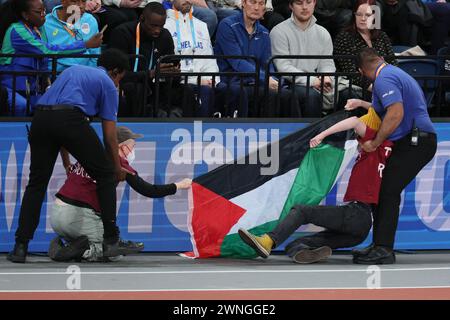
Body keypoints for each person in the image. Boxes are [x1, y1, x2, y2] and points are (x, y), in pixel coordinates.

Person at [6, 49, 144, 263]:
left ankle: (20, 246)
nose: (118, 84)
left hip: (40, 119)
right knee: (106, 175)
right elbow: (109, 137)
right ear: (115, 72)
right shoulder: (107, 84)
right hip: (70, 119)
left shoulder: (72, 71)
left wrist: (66, 161)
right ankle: (111, 240)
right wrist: (116, 168)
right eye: (120, 78)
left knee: (36, 184)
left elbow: (56, 113)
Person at [238, 108, 393, 264]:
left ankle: (268, 241)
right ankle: (303, 251)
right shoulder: (388, 151)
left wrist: (321, 135)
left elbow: (354, 121)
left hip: (357, 213)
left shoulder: (375, 143)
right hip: (361, 231)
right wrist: (360, 103)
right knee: (296, 244)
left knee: (301, 211)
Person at [48, 126, 192, 262]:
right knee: (112, 253)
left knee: (105, 239)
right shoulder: (119, 165)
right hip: (76, 216)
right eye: (132, 147)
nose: (133, 152)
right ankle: (75, 251)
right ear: (122, 147)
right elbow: (148, 190)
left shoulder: (91, 156)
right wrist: (179, 185)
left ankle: (69, 244)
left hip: (55, 215)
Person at [347, 47, 437, 264]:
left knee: (387, 191)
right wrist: (361, 104)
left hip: (416, 141)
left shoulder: (383, 79)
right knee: (384, 190)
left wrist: (375, 143)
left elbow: (396, 113)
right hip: (416, 139)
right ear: (379, 58)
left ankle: (384, 248)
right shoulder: (392, 73)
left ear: (361, 71)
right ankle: (379, 244)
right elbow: (386, 109)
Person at [0, 0, 102, 116]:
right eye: (39, 12)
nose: (43, 15)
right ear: (25, 15)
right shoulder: (17, 31)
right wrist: (85, 45)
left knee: (51, 107)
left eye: (44, 10)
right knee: (22, 106)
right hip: (11, 87)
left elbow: (43, 62)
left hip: (32, 89)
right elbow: (47, 51)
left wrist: (48, 85)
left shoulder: (37, 29)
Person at [109, 2, 196, 117]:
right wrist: (150, 74)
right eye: (153, 25)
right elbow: (115, 74)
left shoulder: (165, 36)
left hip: (156, 86)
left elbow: (169, 69)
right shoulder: (122, 33)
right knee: (138, 89)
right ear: (142, 18)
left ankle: (186, 130)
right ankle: (139, 129)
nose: (157, 30)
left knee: (187, 91)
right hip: (131, 84)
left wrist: (173, 73)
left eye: (161, 26)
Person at [215, 0, 298, 117]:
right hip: (232, 82)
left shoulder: (264, 32)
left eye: (260, 4)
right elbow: (237, 62)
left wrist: (275, 80)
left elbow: (268, 63)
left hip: (255, 82)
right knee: (260, 94)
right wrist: (265, 79)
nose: (256, 7)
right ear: (243, 3)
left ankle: (299, 134)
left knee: (287, 94)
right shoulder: (227, 25)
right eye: (253, 2)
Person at [270, 0, 336, 117]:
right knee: (310, 96)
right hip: (290, 82)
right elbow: (283, 66)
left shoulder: (323, 32)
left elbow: (327, 62)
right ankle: (312, 134)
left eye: (308, 2)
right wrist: (312, 81)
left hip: (318, 80)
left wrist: (326, 77)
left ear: (314, 3)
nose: (305, 7)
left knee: (348, 93)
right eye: (299, 3)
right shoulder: (278, 31)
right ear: (291, 6)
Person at [334, 0, 397, 108]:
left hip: (384, 85)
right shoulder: (344, 37)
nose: (363, 19)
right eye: (359, 14)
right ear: (354, 16)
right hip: (357, 87)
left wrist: (389, 85)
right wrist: (379, 89)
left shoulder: (382, 36)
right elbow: (351, 73)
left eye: (368, 15)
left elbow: (393, 64)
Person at [164, 0, 220, 117]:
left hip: (203, 82)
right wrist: (198, 80)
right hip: (178, 83)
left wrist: (211, 79)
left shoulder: (202, 25)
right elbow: (169, 66)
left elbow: (209, 58)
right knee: (203, 91)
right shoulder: (164, 25)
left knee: (230, 91)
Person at [43, 0, 100, 72]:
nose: (81, 6)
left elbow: (94, 55)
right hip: (57, 76)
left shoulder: (90, 20)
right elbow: (45, 58)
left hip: (84, 75)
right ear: (63, 1)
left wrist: (88, 75)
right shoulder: (45, 23)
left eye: (84, 1)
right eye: (75, 1)